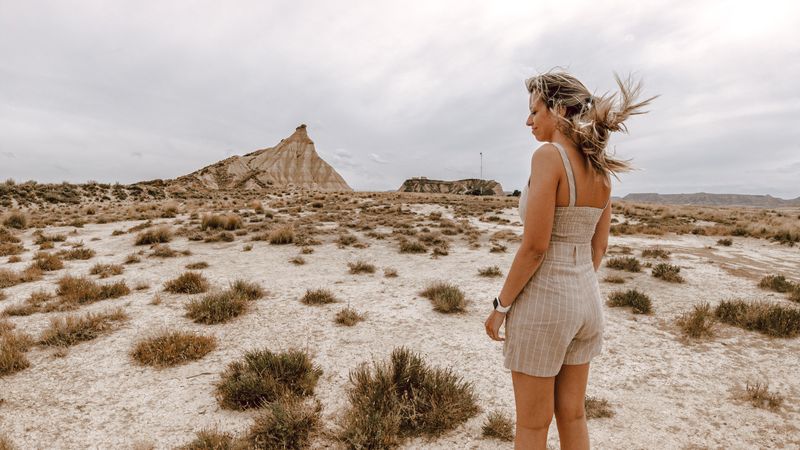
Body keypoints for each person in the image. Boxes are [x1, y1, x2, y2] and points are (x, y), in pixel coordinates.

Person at [484, 70, 656, 449]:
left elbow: (535, 247)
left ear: (559, 108)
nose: (528, 120)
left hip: (544, 303)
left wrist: (501, 306)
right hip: (586, 302)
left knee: (531, 426)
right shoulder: (600, 167)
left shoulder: (548, 157)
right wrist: (576, 287)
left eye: (534, 110)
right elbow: (599, 248)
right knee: (573, 415)